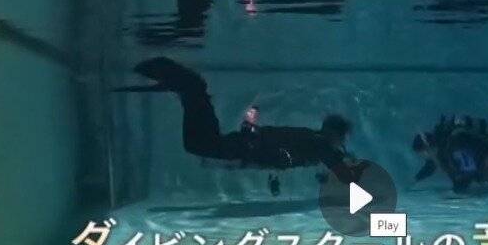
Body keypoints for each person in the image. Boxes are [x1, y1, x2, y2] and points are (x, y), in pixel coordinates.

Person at [117, 57, 368, 195]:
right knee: (197, 124)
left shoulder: (311, 141)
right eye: (342, 139)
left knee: (196, 129)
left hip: (238, 145)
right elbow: (340, 170)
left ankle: (182, 86)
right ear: (335, 134)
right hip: (237, 148)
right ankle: (179, 82)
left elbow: (280, 152)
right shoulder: (320, 145)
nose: (341, 144)